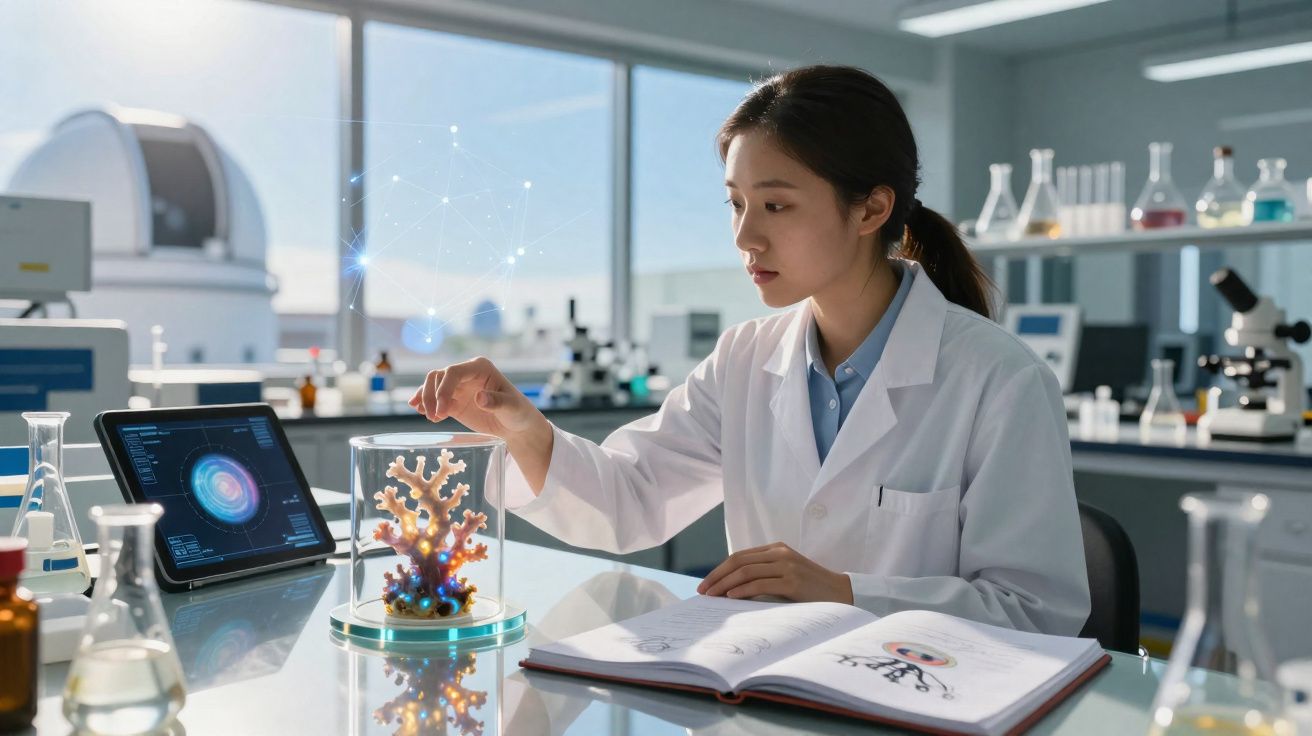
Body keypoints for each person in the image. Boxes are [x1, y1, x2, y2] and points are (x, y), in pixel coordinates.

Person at [409, 65, 1090, 636]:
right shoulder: (744, 359)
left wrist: (846, 593)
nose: (744, 238)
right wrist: (523, 427)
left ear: (871, 210)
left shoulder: (999, 379)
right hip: (765, 693)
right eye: (735, 204)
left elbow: (1037, 615)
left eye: (776, 206)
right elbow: (630, 501)